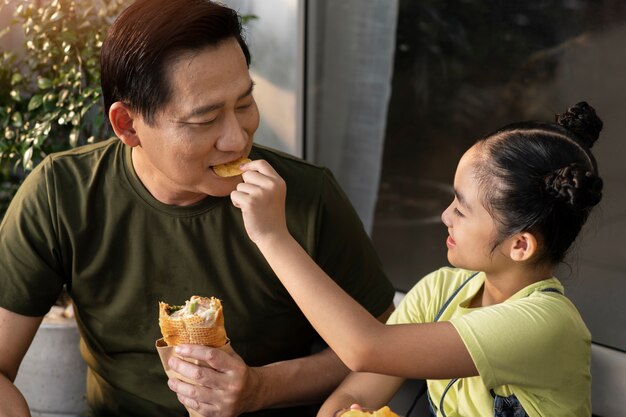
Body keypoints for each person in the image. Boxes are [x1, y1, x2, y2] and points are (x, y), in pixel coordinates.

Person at [0, 0, 396, 416]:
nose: (236, 139)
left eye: (244, 104)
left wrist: (261, 388)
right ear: (128, 125)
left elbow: (388, 344)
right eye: (204, 120)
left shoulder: (305, 197)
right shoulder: (62, 194)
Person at [233, 101, 604, 417]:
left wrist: (272, 236)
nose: (445, 216)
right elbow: (355, 393)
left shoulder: (546, 325)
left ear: (520, 246)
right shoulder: (441, 290)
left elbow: (366, 349)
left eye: (461, 208)